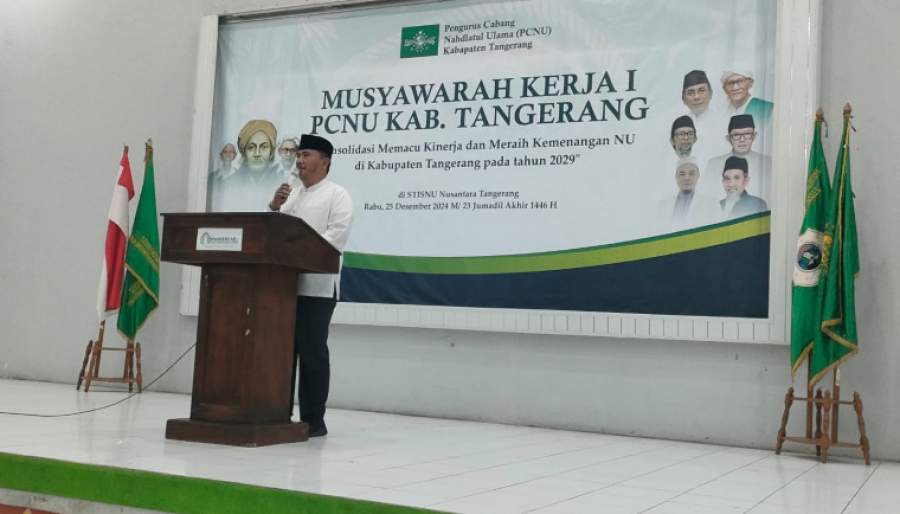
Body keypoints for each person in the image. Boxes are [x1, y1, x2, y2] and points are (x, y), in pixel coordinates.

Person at [268, 133, 353, 437]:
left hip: (317, 288)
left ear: (325, 161)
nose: (300, 161)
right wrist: (274, 207)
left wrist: (297, 253)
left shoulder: (337, 195)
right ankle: (278, 412)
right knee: (281, 352)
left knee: (312, 352)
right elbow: (272, 234)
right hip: (284, 287)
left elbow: (335, 237)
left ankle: (314, 420)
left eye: (306, 155)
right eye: (299, 155)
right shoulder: (292, 196)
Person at [705, 114, 772, 201]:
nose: (742, 139)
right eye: (736, 135)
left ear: (754, 136)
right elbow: (709, 194)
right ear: (728, 138)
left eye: (747, 134)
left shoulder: (767, 162)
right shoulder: (713, 164)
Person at [222, 120, 283, 211]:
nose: (257, 153)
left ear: (271, 152)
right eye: (251, 147)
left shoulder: (282, 182)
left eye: (264, 147)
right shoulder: (229, 183)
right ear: (244, 152)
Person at [657, 158, 720, 229]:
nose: (686, 178)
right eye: (682, 174)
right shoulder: (664, 205)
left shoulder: (711, 204)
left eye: (691, 174)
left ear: (698, 176)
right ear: (676, 177)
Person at [208, 143, 240, 211]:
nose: (228, 154)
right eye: (225, 152)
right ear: (221, 155)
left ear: (234, 155)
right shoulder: (212, 176)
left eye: (230, 152)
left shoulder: (239, 176)